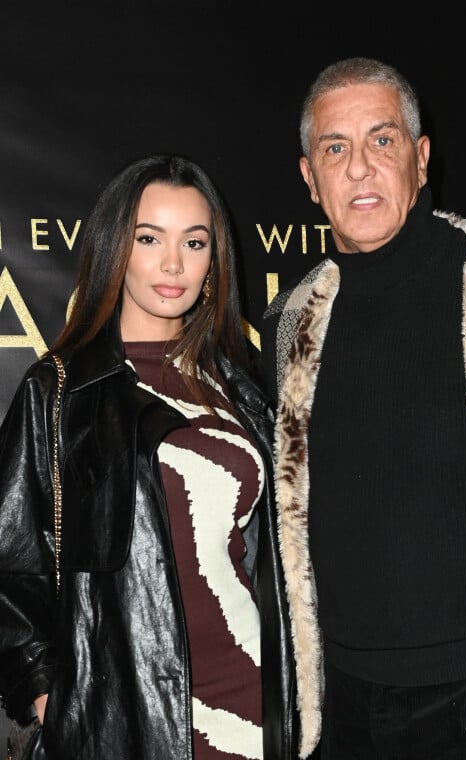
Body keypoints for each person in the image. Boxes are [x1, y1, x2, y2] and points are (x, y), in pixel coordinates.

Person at [261, 57, 466, 760]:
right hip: (341, 712)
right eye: (334, 148)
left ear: (422, 157)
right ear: (310, 178)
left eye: (383, 140)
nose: (359, 167)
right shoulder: (288, 325)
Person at [0, 153, 297, 760]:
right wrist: (47, 699)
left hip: (254, 704)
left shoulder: (239, 387)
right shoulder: (61, 390)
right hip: (131, 720)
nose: (173, 264)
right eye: (148, 237)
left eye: (194, 242)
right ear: (117, 249)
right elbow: (9, 563)